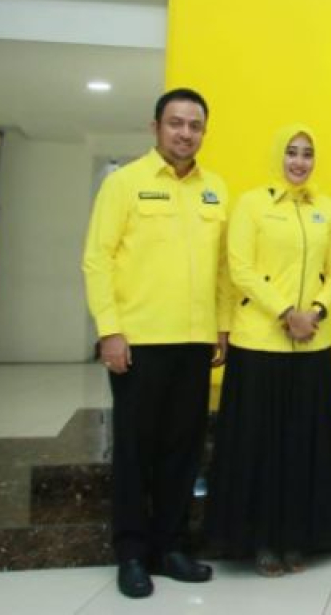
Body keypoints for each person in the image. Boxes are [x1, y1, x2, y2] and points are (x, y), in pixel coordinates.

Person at [81, 88, 228, 599]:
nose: (185, 133)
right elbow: (97, 259)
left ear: (203, 132)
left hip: (195, 341)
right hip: (139, 342)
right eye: (176, 123)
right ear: (156, 128)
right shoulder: (124, 183)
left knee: (183, 452)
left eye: (195, 125)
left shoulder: (215, 190)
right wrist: (109, 329)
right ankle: (130, 553)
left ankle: (170, 547)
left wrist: (222, 326)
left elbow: (222, 270)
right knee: (134, 453)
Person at [206, 123, 331, 576]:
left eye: (307, 153)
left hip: (313, 343)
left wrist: (315, 312)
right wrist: (287, 312)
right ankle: (261, 541)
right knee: (260, 446)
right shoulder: (252, 204)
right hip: (259, 343)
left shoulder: (326, 208)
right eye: (291, 151)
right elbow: (240, 269)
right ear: (277, 156)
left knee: (303, 446)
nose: (299, 161)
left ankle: (297, 538)